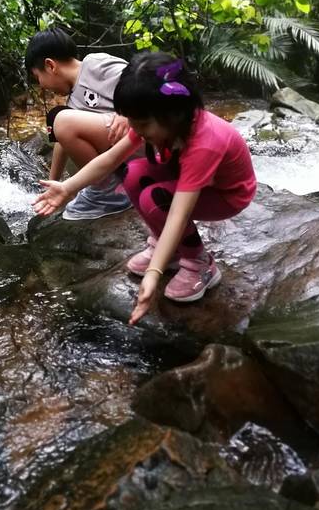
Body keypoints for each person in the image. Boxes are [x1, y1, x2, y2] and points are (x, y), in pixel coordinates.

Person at [33, 51, 257, 325]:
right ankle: (172, 251)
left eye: (141, 124)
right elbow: (112, 158)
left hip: (226, 194)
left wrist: (154, 272)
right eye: (132, 120)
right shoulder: (159, 121)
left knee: (156, 198)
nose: (135, 129)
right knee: (132, 173)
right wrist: (67, 188)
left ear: (172, 113)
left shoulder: (204, 142)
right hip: (184, 176)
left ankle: (200, 264)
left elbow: (178, 212)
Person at [25, 27, 133, 219]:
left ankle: (111, 194)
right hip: (127, 153)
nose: (41, 85)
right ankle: (110, 188)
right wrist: (53, 185)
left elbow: (140, 78)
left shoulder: (94, 64)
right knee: (60, 118)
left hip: (144, 134)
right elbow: (62, 140)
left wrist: (126, 110)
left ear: (50, 66)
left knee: (61, 118)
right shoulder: (72, 103)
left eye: (37, 77)